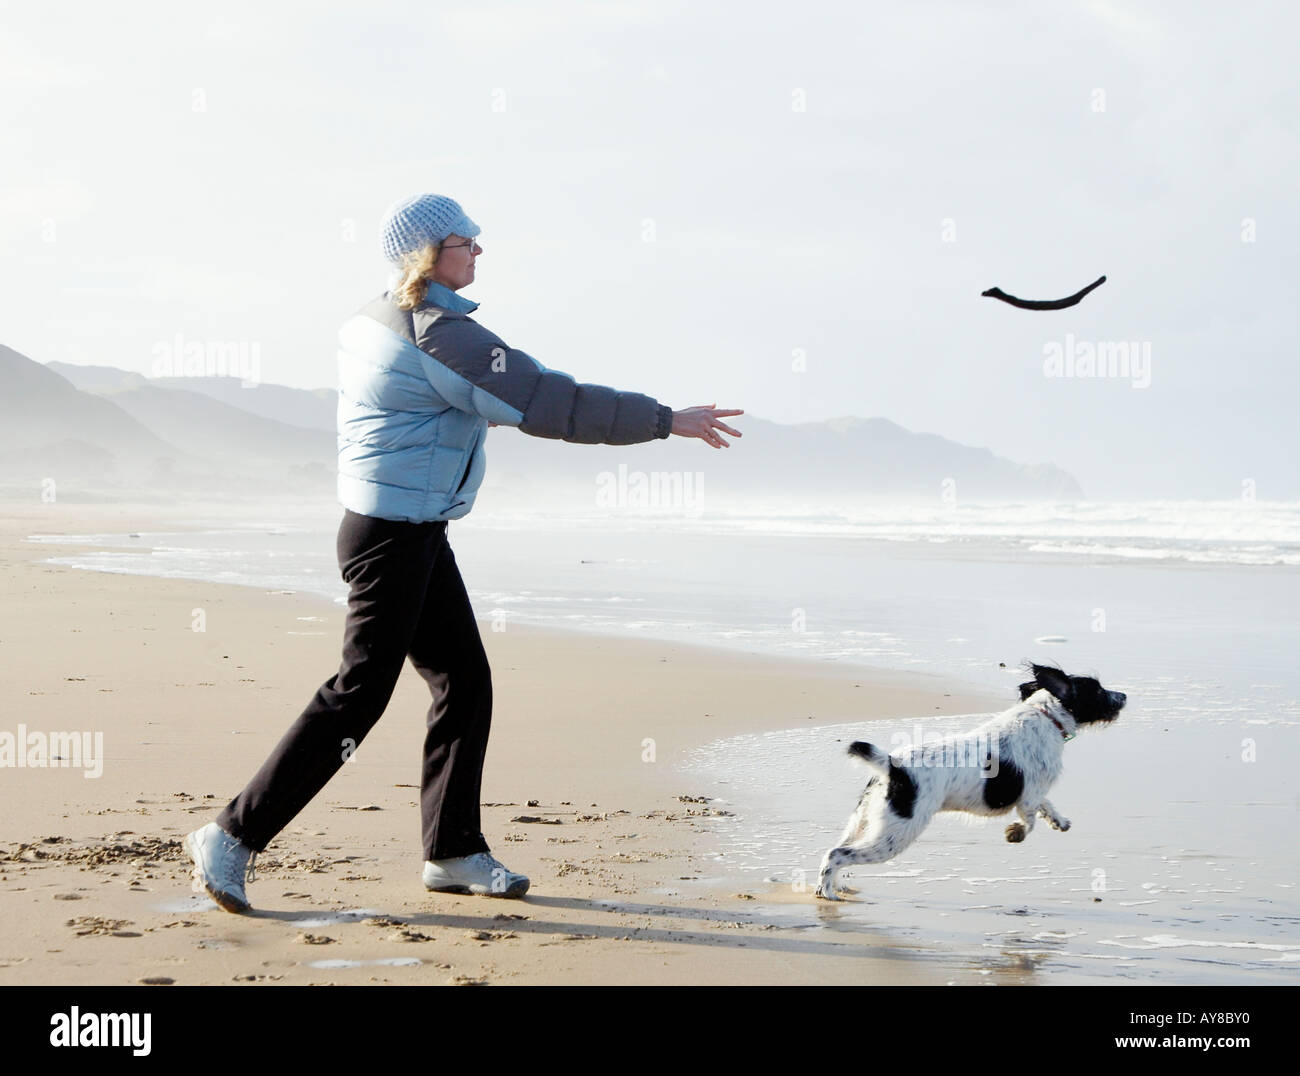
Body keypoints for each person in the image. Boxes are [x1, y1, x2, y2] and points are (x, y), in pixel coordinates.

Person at [185, 193, 743, 911]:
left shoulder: (376, 316)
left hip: (403, 530)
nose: (479, 249)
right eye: (466, 239)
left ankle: (452, 851)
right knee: (359, 696)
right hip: (394, 539)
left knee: (464, 681)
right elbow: (548, 403)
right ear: (428, 252)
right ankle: (231, 836)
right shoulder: (438, 336)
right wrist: (667, 420)